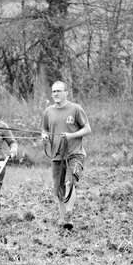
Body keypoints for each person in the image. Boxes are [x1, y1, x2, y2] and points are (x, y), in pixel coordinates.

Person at [41, 81, 91, 230]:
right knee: (58, 190)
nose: (55, 94)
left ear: (66, 93)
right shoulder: (48, 111)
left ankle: (69, 213)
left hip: (74, 154)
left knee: (70, 182)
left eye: (58, 91)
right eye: (53, 91)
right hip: (57, 156)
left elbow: (87, 129)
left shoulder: (75, 109)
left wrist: (71, 135)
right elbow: (44, 130)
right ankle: (64, 220)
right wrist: (44, 137)